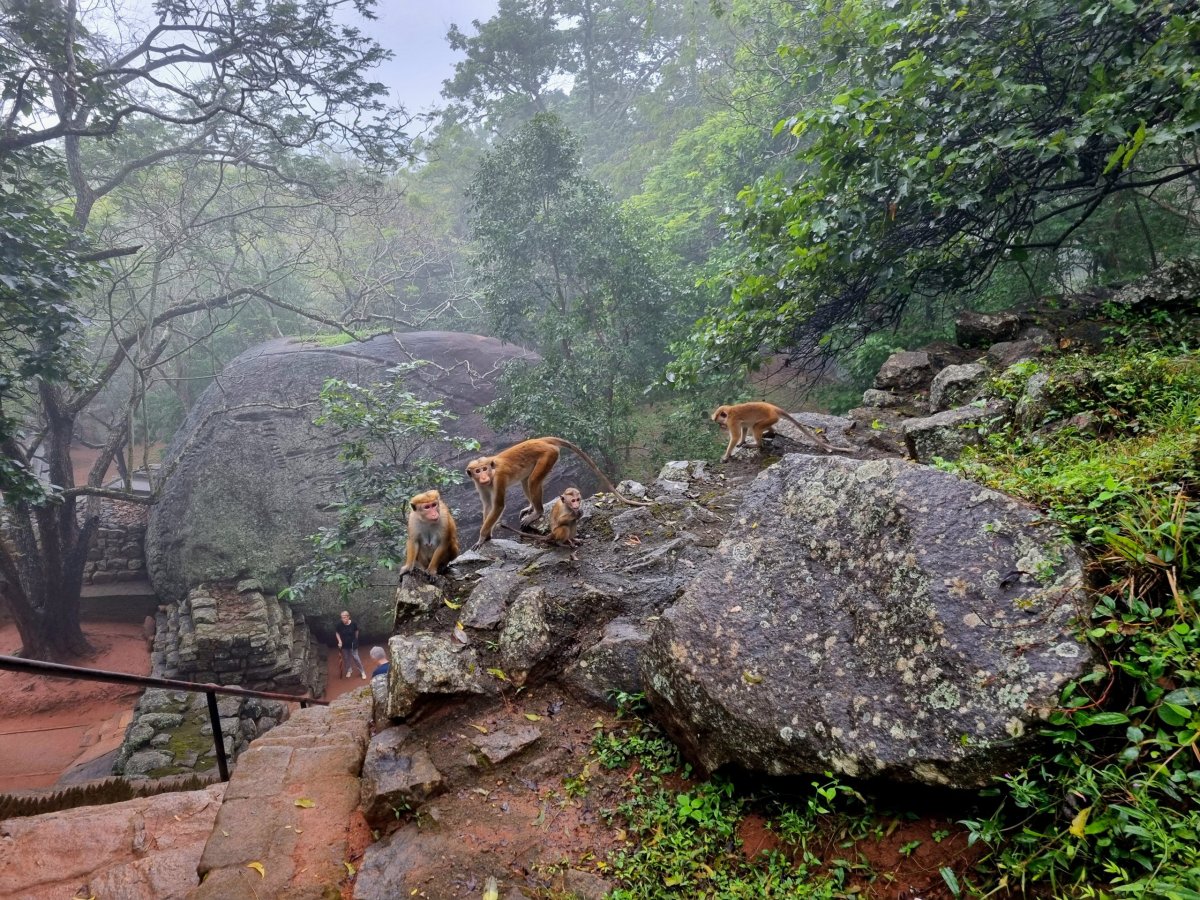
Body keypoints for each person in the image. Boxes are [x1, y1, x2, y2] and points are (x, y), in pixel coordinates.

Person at [335, 610, 366, 679]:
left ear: (348, 617)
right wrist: (339, 641)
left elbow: (356, 631)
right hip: (344, 645)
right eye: (342, 617)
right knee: (346, 658)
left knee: (356, 657)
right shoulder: (339, 625)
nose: (343, 619)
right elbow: (337, 633)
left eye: (345, 617)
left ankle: (362, 671)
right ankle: (349, 670)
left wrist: (356, 639)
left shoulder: (353, 623)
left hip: (352, 644)